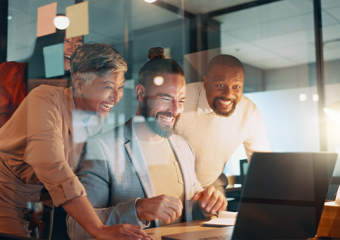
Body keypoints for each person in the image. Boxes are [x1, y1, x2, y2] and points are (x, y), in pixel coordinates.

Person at [0, 43, 150, 240]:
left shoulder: (94, 119)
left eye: (121, 87)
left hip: (26, 201)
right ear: (80, 85)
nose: (116, 97)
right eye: (108, 87)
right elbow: (52, 166)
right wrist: (98, 228)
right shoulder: (44, 99)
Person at [66, 47, 227, 240]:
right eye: (166, 98)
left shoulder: (183, 146)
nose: (175, 110)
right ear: (141, 93)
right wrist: (138, 209)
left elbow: (188, 211)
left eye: (181, 100)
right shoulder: (102, 147)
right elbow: (76, 227)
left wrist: (207, 205)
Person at [175, 54, 272, 194]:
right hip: (171, 184)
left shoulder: (249, 112)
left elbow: (264, 166)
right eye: (220, 85)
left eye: (236, 87)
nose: (228, 94)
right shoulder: (180, 100)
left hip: (210, 187)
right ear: (206, 83)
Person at [0, 28, 83, 139]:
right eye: (67, 40)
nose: (73, 49)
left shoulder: (74, 87)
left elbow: (79, 134)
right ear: (49, 41)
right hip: (19, 153)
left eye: (78, 45)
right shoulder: (12, 72)